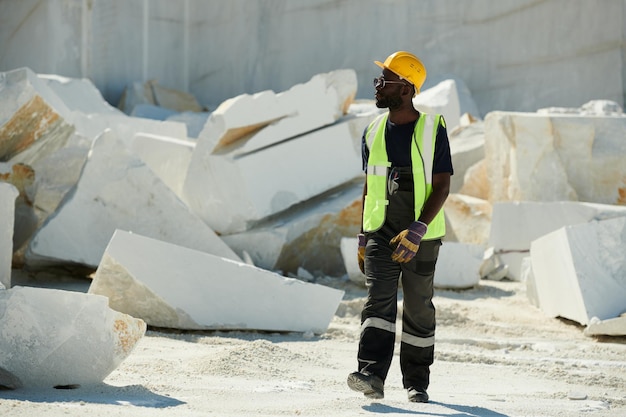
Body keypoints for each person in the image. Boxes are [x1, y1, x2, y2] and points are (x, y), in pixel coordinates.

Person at [347, 51, 453, 403]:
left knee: (419, 307)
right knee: (377, 302)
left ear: (406, 88)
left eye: (385, 79)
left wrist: (418, 229)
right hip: (380, 231)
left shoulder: (432, 129)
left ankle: (416, 383)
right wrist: (363, 235)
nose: (377, 85)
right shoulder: (372, 130)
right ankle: (371, 375)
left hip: (420, 234)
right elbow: (369, 184)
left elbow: (441, 184)